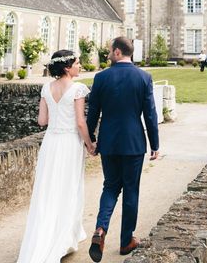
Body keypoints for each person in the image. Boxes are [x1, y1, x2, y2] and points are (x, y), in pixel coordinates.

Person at [17, 50, 95, 263]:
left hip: (51, 142)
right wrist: (90, 144)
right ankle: (63, 238)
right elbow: (80, 123)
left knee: (47, 188)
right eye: (78, 63)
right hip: (69, 143)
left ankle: (44, 236)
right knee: (68, 187)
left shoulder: (46, 87)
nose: (80, 66)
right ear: (67, 67)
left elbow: (42, 120)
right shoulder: (78, 89)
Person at [87, 37, 160, 260]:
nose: (108, 53)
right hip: (133, 143)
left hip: (108, 142)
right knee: (131, 191)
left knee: (110, 187)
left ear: (117, 52)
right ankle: (126, 240)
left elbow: (93, 113)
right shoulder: (144, 77)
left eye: (110, 50)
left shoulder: (101, 78)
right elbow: (150, 114)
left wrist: (90, 138)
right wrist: (155, 144)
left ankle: (101, 229)